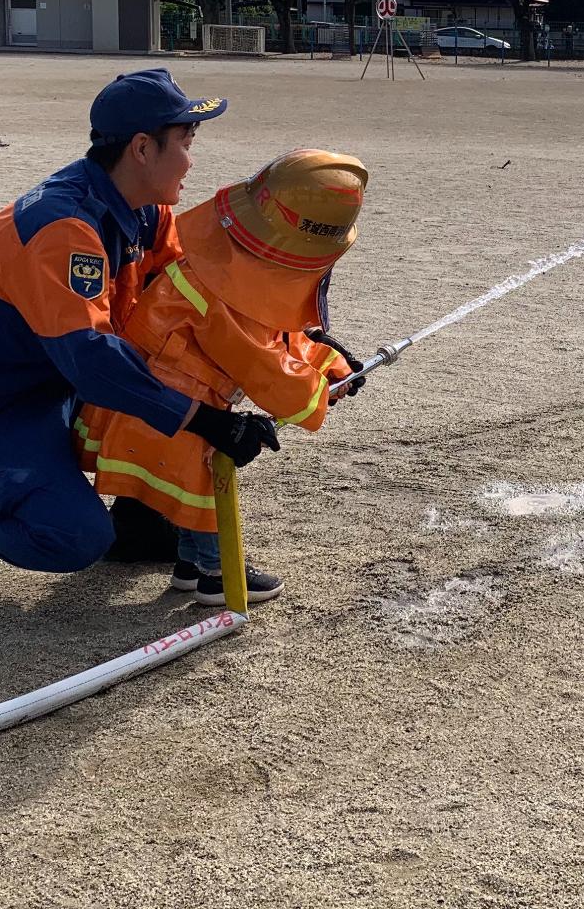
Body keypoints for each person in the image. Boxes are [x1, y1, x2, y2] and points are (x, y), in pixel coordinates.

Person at [0, 68, 276, 614]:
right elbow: (92, 359)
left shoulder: (147, 209)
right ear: (143, 148)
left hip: (65, 391)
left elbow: (190, 309)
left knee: (181, 378)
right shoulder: (63, 227)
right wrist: (206, 421)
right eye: (186, 144)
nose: (192, 160)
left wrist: (301, 351)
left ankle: (140, 518)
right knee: (75, 536)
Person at [77, 149, 369, 606]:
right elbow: (261, 361)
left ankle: (191, 565)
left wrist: (329, 363)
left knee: (191, 492)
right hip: (171, 402)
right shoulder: (225, 292)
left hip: (164, 394)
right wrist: (315, 390)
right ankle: (217, 572)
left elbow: (274, 332)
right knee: (203, 490)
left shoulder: (223, 261)